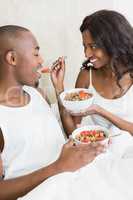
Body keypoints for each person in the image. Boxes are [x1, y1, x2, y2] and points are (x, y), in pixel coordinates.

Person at [0, 25, 105, 200]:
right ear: (12, 58)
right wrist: (58, 167)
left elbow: (56, 135)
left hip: (73, 179)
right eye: (35, 53)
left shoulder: (37, 94)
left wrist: (59, 89)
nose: (41, 60)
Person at [51, 10, 133, 138]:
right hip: (101, 151)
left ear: (113, 43)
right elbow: (72, 133)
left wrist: (100, 111)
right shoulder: (86, 76)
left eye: (93, 46)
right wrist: (59, 88)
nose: (87, 54)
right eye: (85, 46)